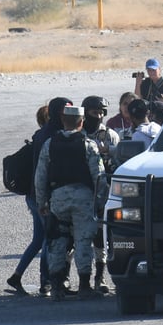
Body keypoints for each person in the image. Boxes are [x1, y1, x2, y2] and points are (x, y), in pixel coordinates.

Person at [35, 104, 107, 301]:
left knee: (58, 242)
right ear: (81, 122)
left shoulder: (50, 144)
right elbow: (99, 176)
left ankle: (57, 286)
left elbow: (40, 176)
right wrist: (101, 202)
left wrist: (42, 201)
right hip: (84, 199)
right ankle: (84, 285)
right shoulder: (88, 145)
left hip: (58, 199)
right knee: (84, 240)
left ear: (63, 120)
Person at [5, 104, 51, 297]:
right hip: (39, 197)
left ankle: (17, 276)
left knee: (38, 240)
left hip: (31, 197)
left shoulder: (35, 140)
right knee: (48, 239)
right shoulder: (45, 142)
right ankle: (45, 282)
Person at [81, 95, 120, 294]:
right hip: (82, 190)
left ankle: (100, 277)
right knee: (78, 238)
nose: (99, 116)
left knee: (100, 236)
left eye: (102, 112)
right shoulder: (78, 134)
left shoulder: (110, 135)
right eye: (95, 112)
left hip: (103, 192)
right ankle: (79, 280)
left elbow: (117, 163)